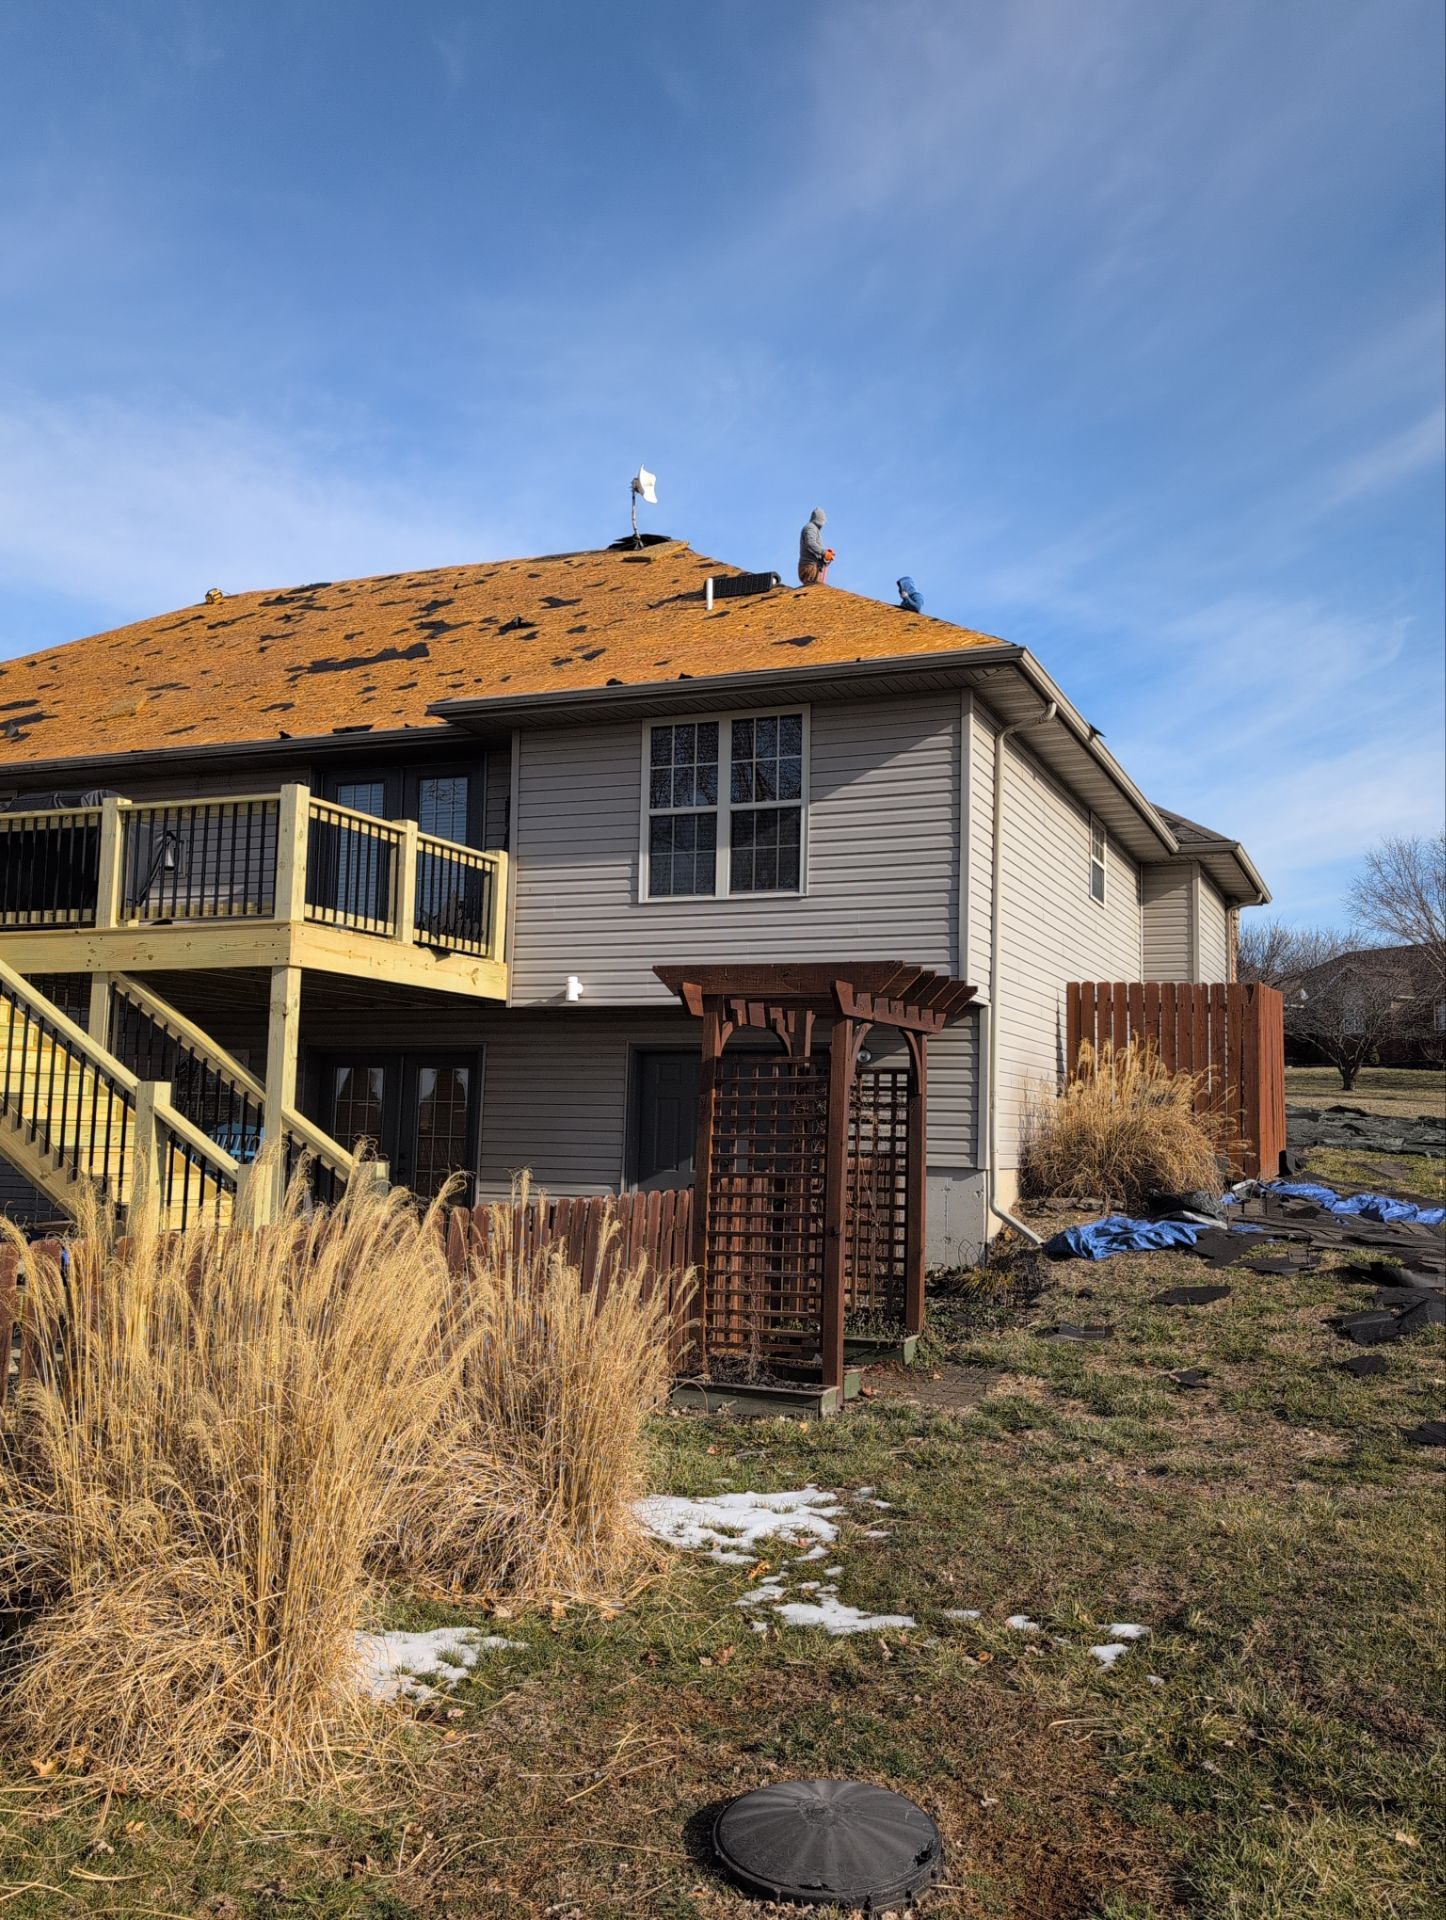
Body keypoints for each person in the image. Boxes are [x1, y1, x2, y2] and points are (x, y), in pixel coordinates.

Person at [798, 508, 834, 584]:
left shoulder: (813, 529)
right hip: (810, 566)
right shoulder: (810, 527)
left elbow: (814, 551)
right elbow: (810, 543)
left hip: (813, 567)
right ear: (820, 519)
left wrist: (824, 558)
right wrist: (824, 552)